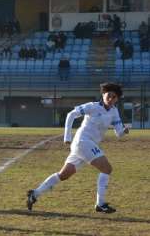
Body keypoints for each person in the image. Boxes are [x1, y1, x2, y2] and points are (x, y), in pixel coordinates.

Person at [27, 83, 129, 214]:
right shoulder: (92, 106)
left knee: (63, 175)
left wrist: (124, 130)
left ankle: (34, 194)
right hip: (83, 142)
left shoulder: (114, 111)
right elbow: (71, 114)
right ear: (103, 94)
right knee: (107, 168)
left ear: (117, 99)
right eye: (109, 95)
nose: (111, 99)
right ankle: (100, 203)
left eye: (114, 97)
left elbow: (118, 132)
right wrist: (67, 137)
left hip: (87, 145)